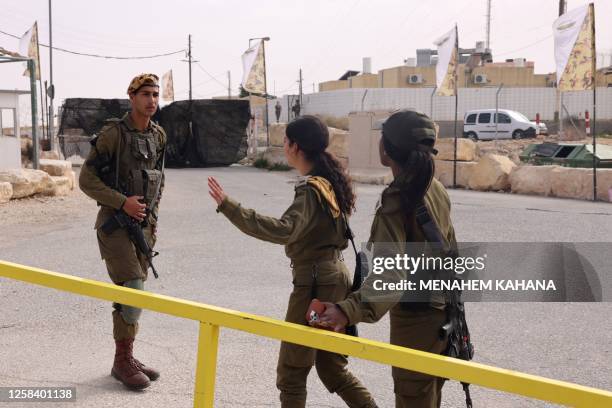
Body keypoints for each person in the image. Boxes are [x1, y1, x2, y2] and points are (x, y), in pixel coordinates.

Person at [208, 115, 377, 408]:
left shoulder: (312, 190)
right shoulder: (327, 182)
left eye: (285, 141)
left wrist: (229, 206)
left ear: (295, 146)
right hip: (333, 279)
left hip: (314, 285)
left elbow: (284, 229)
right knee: (332, 369)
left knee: (292, 373)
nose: (284, 146)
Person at [319, 110, 456, 408]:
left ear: (386, 150)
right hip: (443, 316)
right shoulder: (435, 188)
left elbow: (390, 277)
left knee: (413, 399)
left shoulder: (398, 201)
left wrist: (346, 311)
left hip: (417, 321)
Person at [79, 73, 166, 390]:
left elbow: (158, 179)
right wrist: (122, 203)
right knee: (133, 286)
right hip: (115, 224)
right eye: (145, 94)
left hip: (143, 227)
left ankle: (126, 356)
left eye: (156, 94)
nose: (152, 100)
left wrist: (150, 217)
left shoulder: (158, 135)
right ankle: (122, 361)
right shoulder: (113, 134)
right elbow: (86, 180)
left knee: (132, 294)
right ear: (131, 97)